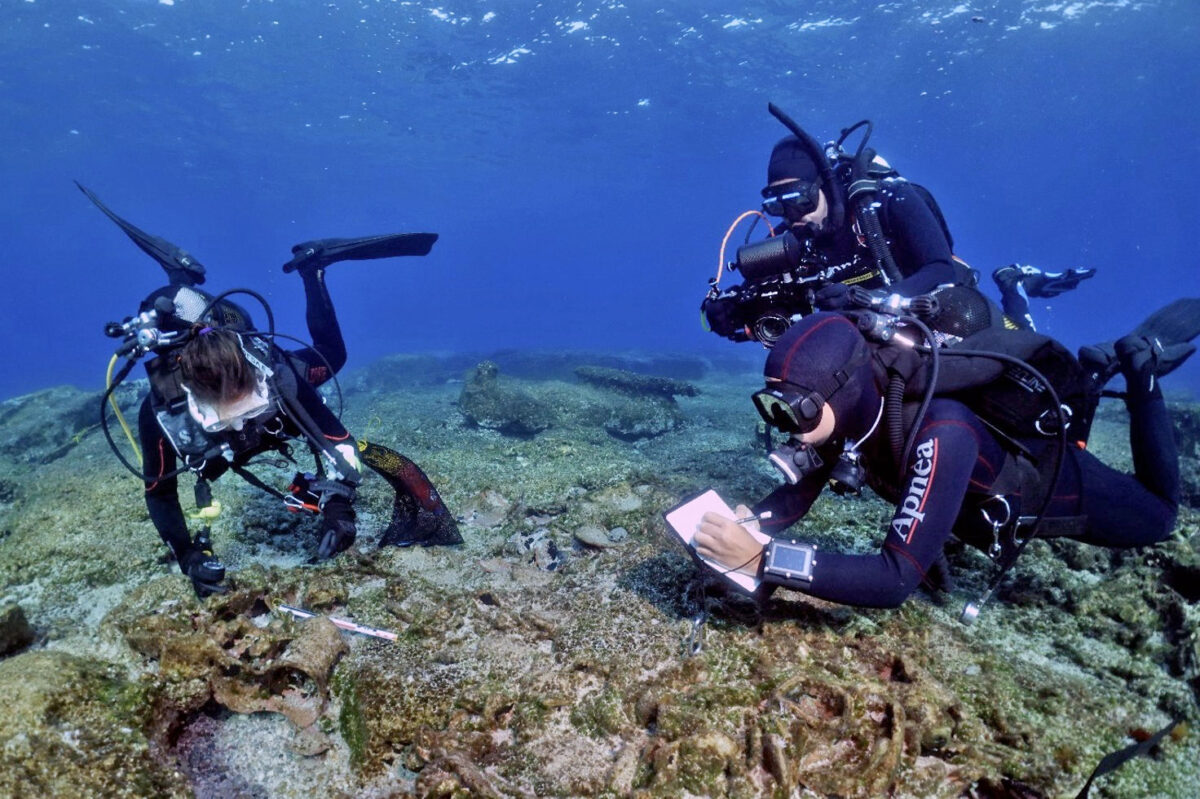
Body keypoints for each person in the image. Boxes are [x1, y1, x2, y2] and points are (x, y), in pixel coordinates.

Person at [692, 310, 1194, 609]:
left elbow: (893, 579)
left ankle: (1140, 372)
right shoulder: (850, 412)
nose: (784, 423)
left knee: (1159, 517)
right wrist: (753, 518)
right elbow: (798, 493)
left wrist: (764, 559)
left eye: (795, 408)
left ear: (840, 391)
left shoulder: (942, 432)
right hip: (965, 496)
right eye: (772, 405)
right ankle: (1093, 371)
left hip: (1052, 485)